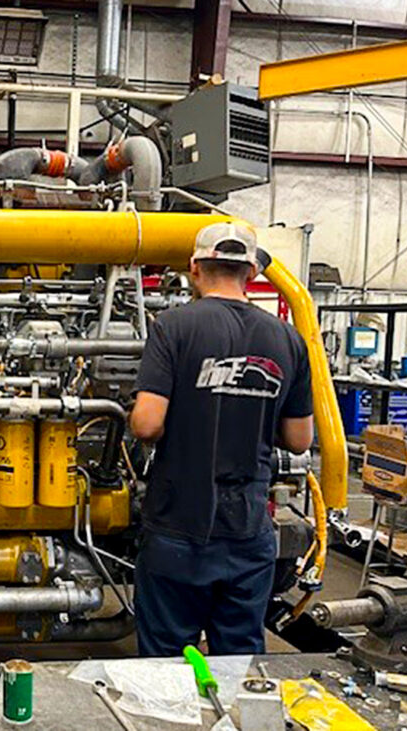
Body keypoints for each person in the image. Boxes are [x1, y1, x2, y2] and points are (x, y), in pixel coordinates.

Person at [129, 222, 314, 657]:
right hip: (249, 528)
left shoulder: (172, 327)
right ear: (251, 271)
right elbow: (300, 437)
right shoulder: (288, 337)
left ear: (195, 267)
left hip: (179, 525)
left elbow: (146, 424)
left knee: (165, 663)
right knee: (240, 660)